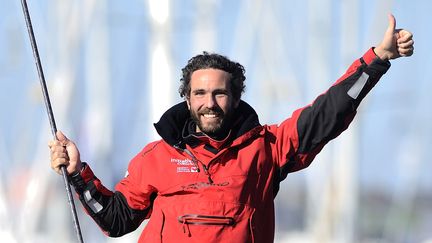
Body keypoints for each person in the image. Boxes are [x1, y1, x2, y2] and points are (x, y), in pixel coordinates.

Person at [49, 14, 413, 243]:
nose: (210, 102)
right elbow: (115, 221)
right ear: (187, 99)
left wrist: (376, 60)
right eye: (201, 93)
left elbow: (327, 113)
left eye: (220, 93)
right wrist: (78, 172)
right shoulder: (155, 157)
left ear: (236, 97)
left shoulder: (268, 148)